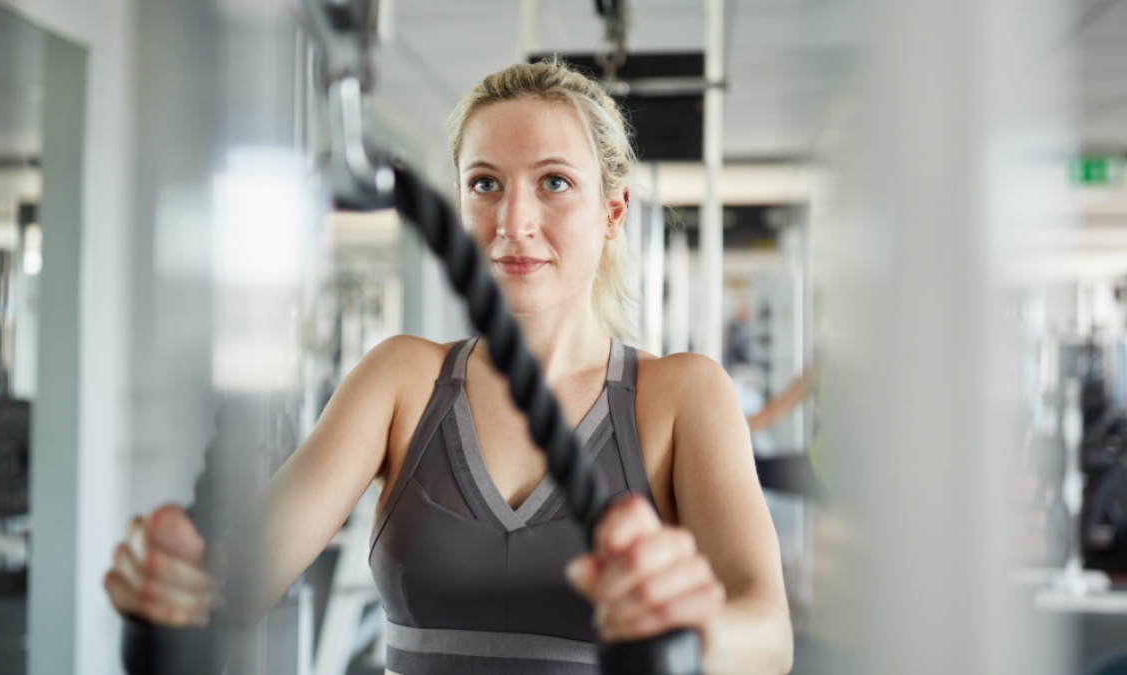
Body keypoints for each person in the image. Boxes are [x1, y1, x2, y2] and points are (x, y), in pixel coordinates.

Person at [104, 58, 793, 675]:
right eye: (485, 183)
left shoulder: (681, 396)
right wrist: (178, 588)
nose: (513, 220)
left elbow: (768, 634)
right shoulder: (401, 380)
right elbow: (242, 582)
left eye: (554, 182)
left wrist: (697, 632)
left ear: (613, 211)